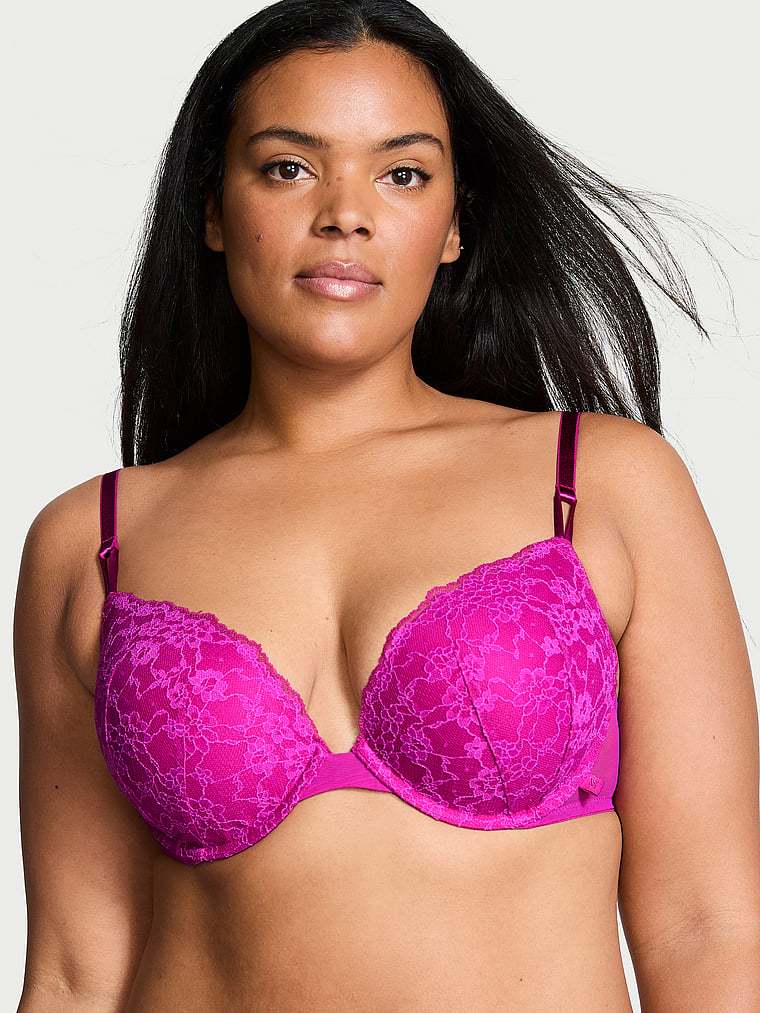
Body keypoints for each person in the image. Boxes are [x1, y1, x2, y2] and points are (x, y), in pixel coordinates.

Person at [14, 1, 760, 1010]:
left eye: (401, 173)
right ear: (213, 209)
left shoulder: (599, 487)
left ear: (453, 224)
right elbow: (74, 972)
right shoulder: (93, 542)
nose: (345, 214)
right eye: (289, 167)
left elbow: (709, 927)